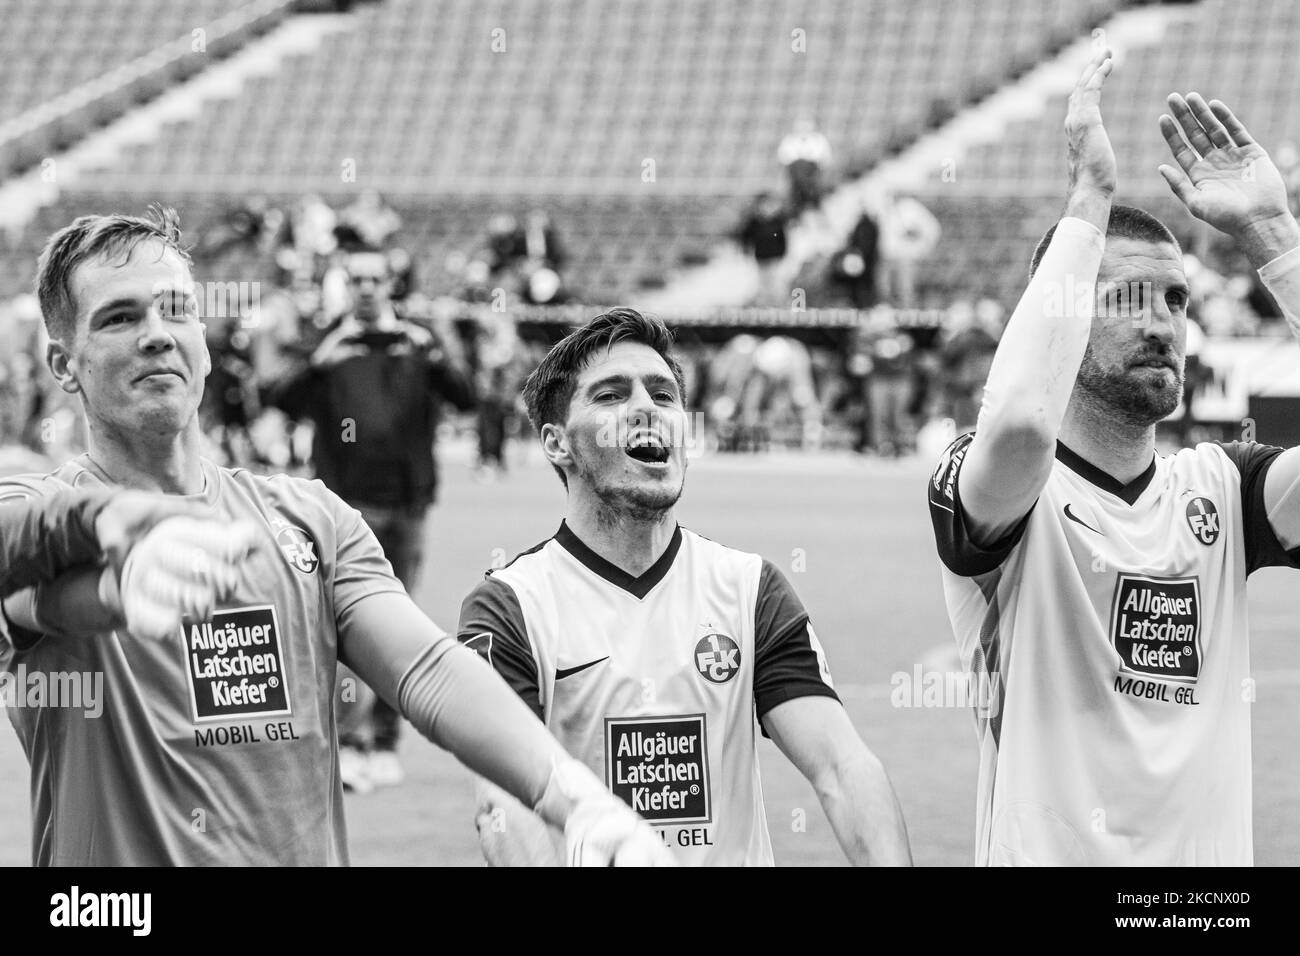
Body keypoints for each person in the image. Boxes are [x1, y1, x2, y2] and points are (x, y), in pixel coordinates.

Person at [0, 208, 671, 866]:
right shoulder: (42, 509)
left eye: (177, 309)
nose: (156, 335)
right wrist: (107, 538)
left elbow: (427, 670)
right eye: (120, 317)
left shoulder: (308, 518)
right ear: (63, 364)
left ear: (203, 337)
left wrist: (572, 796)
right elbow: (22, 566)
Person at [927, 50, 1300, 865]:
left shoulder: (1226, 490)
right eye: (1127, 297)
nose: (1164, 322)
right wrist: (1088, 201)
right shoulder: (997, 485)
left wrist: (1276, 239)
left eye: (1177, 299)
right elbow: (1025, 421)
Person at [458, 308, 912, 866]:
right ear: (557, 443)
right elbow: (503, 804)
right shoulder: (511, 606)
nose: (647, 407)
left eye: (663, 394)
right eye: (610, 395)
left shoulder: (750, 589)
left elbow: (842, 768)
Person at [268, 249, 475, 791]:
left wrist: (434, 358)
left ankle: (383, 741)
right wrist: (322, 361)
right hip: (341, 508)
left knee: (397, 623)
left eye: (374, 280)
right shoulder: (332, 343)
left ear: (390, 285)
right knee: (339, 627)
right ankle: (349, 742)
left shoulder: (416, 343)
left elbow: (467, 398)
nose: (364, 288)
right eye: (355, 279)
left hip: (406, 504)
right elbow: (281, 401)